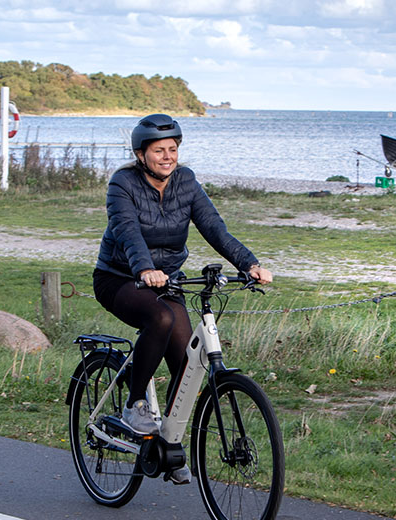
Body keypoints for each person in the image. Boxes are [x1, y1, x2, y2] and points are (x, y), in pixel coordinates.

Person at [93, 114, 272, 484]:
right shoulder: (122, 183)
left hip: (166, 282)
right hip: (119, 278)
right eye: (159, 150)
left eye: (172, 149)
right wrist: (143, 268)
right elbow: (127, 231)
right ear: (141, 154)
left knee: (188, 363)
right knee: (159, 319)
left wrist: (249, 263)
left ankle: (168, 447)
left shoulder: (186, 182)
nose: (167, 156)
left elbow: (213, 227)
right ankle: (135, 403)